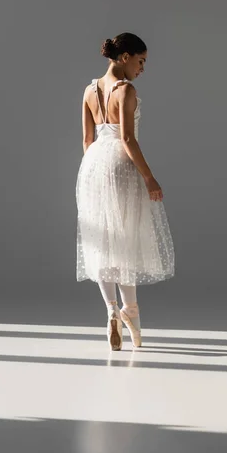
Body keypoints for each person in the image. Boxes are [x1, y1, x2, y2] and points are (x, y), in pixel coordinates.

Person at [76, 32, 175, 351]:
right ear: (124, 57)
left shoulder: (90, 90)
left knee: (104, 242)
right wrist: (149, 178)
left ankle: (110, 315)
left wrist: (91, 172)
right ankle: (130, 311)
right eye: (141, 61)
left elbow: (87, 140)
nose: (142, 68)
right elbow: (128, 140)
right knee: (125, 239)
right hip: (120, 165)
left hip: (92, 167)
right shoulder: (126, 90)